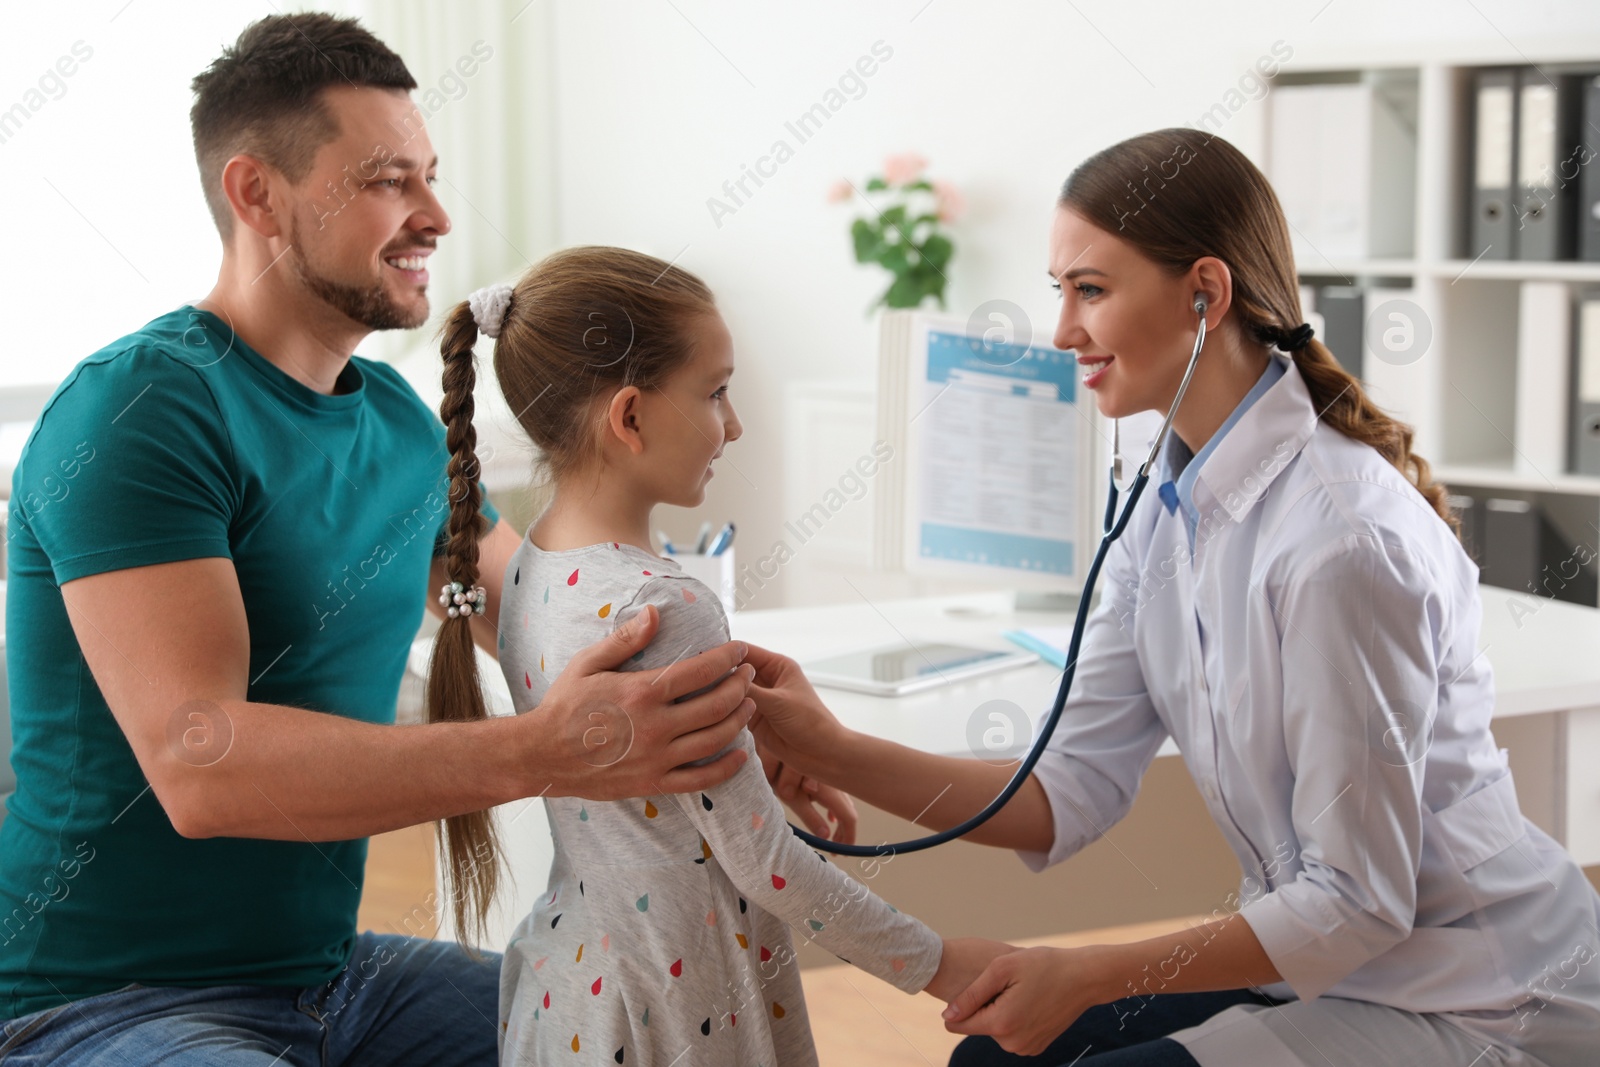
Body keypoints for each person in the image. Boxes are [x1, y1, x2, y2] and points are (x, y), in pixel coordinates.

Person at [0, 15, 793, 1065]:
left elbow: (536, 599)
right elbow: (204, 766)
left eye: (428, 175)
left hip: (328, 978)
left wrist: (746, 725)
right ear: (257, 194)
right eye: (387, 180)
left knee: (643, 1034)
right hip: (99, 999)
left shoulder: (394, 424)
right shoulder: (146, 410)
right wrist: (540, 750)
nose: (435, 215)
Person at [741, 129, 1600, 1066]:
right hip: (1342, 960)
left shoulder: (1339, 542)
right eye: (1059, 291)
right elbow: (1062, 793)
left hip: (1478, 993)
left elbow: (1359, 901)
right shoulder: (1166, 504)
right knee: (994, 1056)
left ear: (1206, 291)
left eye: (1092, 290)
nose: (1064, 331)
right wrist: (828, 746)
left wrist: (1089, 970)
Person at [426, 246, 1011, 1065]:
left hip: (574, 983)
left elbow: (640, 803)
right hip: (677, 996)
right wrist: (942, 964)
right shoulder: (665, 606)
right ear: (629, 418)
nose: (734, 424)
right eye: (716, 392)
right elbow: (768, 863)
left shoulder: (530, 570)